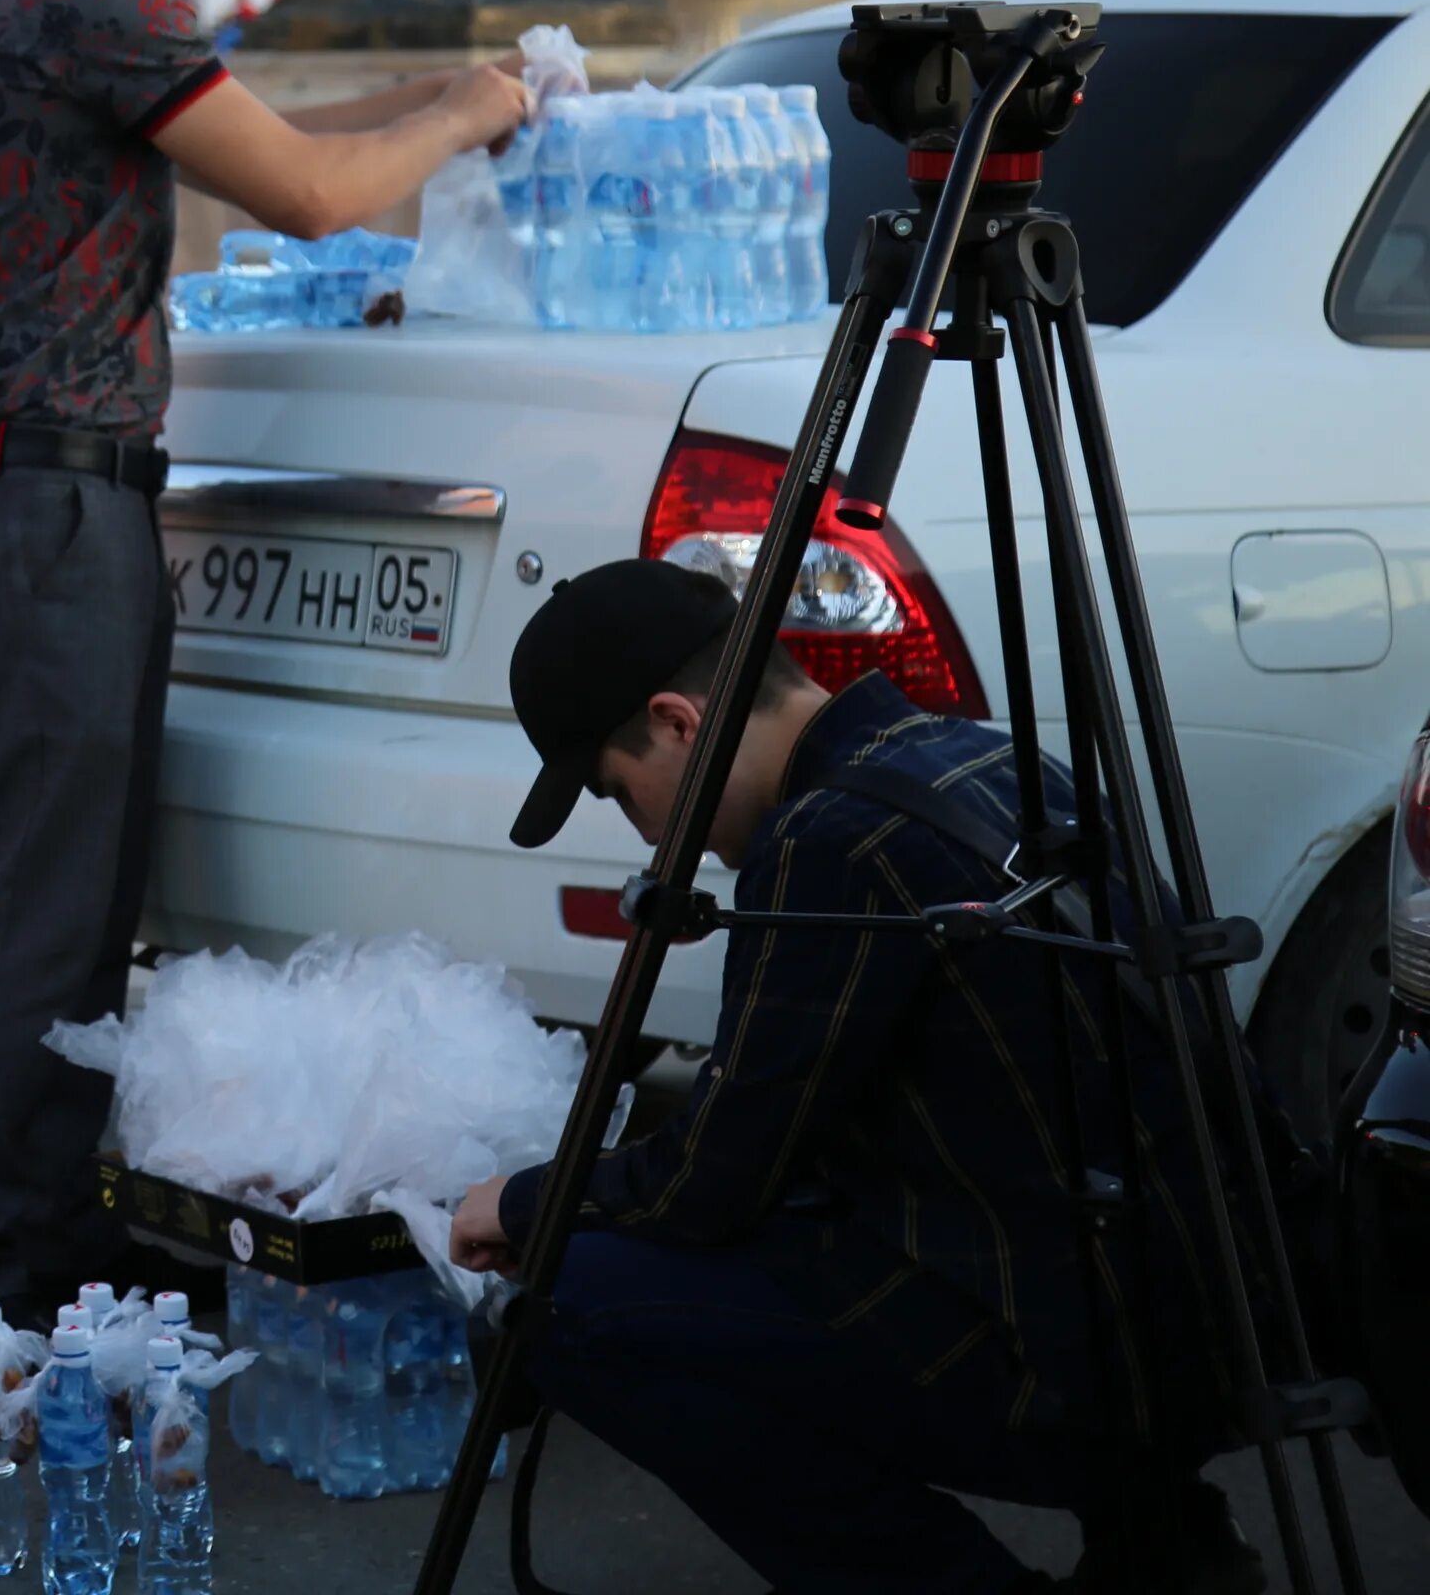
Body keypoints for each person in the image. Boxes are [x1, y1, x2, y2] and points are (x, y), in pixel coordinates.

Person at [0, 0, 533, 1348]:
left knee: (72, 905)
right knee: (45, 914)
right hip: (38, 506)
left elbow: (267, 157)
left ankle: (36, 1252)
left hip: (16, 490)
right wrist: (469, 108)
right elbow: (310, 191)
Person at [451, 559, 1260, 1595]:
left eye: (618, 790)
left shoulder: (827, 843)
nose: (650, 833)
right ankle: (1166, 1539)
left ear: (677, 720)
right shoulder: (980, 754)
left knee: (567, 1303)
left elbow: (711, 1178)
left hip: (1087, 1374)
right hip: (1204, 1322)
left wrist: (528, 1202)